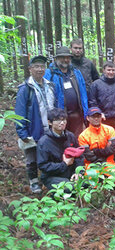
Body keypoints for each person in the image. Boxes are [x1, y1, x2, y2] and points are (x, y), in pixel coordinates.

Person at [15, 55, 56, 193]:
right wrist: (22, 133)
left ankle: (47, 179)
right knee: (31, 157)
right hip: (33, 128)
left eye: (42, 66)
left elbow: (54, 105)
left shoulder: (50, 85)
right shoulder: (25, 88)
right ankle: (33, 182)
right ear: (30, 69)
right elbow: (19, 112)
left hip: (49, 128)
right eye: (36, 66)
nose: (40, 69)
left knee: (47, 155)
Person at [44, 46, 88, 137]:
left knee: (77, 138)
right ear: (56, 59)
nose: (65, 60)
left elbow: (83, 92)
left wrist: (85, 111)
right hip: (59, 115)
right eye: (62, 57)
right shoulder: (50, 73)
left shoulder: (75, 72)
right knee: (61, 138)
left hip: (77, 113)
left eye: (67, 57)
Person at [37, 108, 85, 190]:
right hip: (52, 176)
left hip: (70, 173)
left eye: (64, 120)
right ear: (50, 122)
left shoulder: (70, 136)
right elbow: (43, 165)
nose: (62, 123)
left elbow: (79, 156)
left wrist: (78, 172)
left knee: (87, 184)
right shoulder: (44, 142)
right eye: (58, 120)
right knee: (69, 188)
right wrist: (64, 164)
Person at [89, 61, 115, 129]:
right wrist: (98, 113)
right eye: (108, 70)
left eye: (113, 70)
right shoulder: (96, 84)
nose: (111, 72)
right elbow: (92, 102)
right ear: (104, 70)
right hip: (102, 118)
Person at [78, 107, 115, 172]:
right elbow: (88, 156)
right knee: (93, 179)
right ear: (88, 118)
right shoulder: (83, 136)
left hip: (109, 162)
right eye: (93, 116)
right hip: (91, 165)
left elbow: (113, 149)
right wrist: (105, 150)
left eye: (98, 116)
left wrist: (95, 151)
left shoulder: (110, 130)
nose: (96, 118)